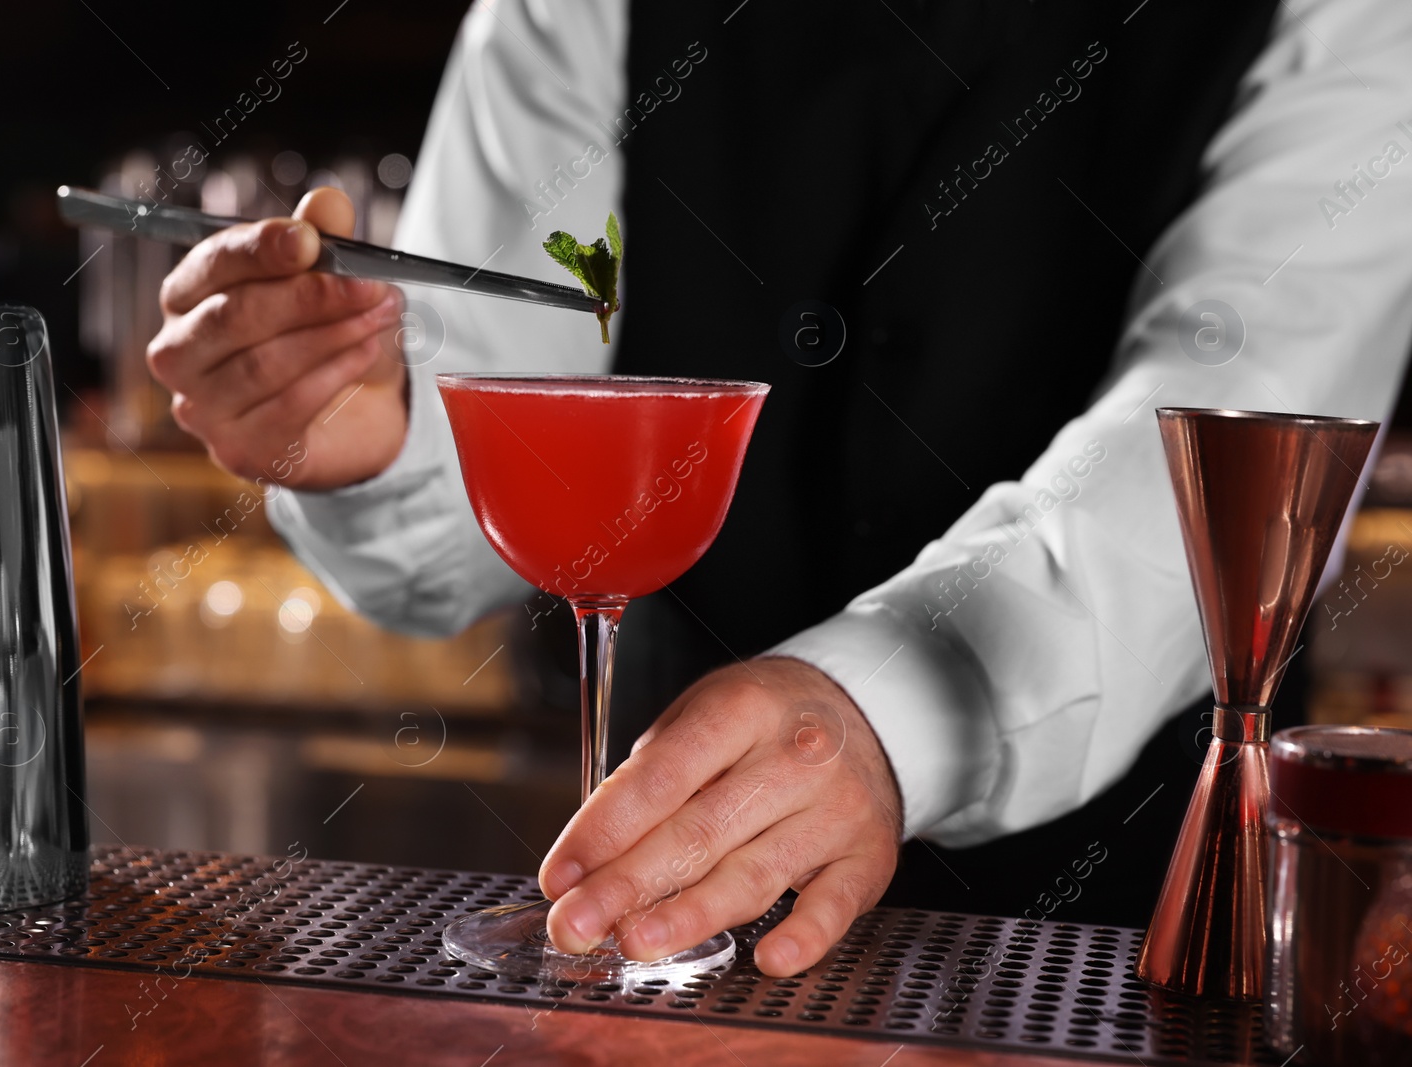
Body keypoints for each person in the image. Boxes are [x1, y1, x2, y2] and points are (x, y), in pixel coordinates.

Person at [146, 0, 1412, 976]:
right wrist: (370, 426)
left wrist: (881, 708)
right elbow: (494, 384)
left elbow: (1225, 433)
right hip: (662, 942)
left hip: (1124, 941)